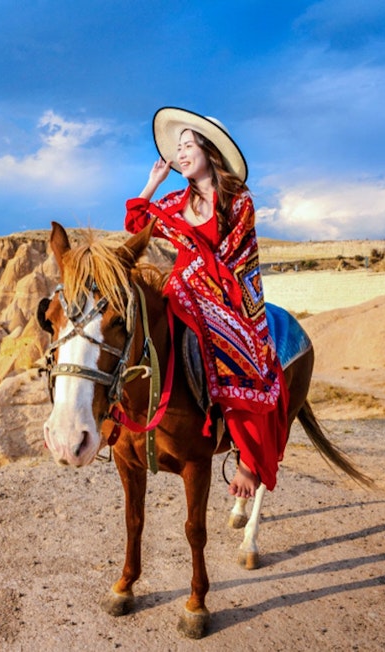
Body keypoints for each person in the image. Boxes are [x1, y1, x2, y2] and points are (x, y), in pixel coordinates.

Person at [124, 107, 288, 499]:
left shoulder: (238, 201)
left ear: (209, 152)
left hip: (228, 290)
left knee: (246, 354)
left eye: (188, 145)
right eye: (177, 148)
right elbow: (135, 223)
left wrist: (200, 272)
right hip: (183, 287)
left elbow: (235, 255)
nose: (180, 154)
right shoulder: (174, 200)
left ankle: (247, 460)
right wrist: (151, 183)